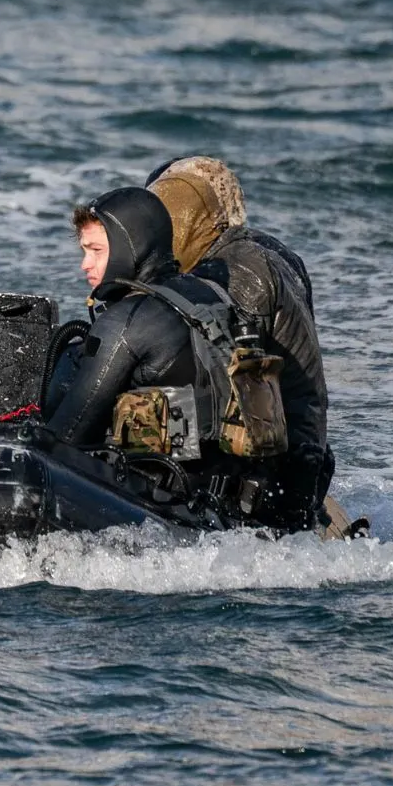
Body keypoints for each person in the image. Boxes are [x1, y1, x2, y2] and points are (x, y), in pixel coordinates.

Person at [146, 157, 329, 529]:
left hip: (270, 480)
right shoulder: (274, 253)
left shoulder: (231, 275)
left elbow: (218, 397)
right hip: (306, 459)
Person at [43, 187, 233, 468]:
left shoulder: (126, 320)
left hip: (169, 486)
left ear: (132, 247)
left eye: (96, 251)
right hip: (232, 477)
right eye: (84, 251)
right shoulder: (211, 293)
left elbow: (64, 441)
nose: (85, 264)